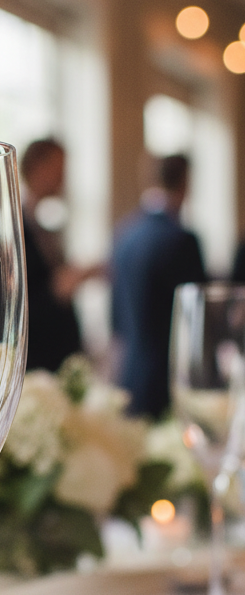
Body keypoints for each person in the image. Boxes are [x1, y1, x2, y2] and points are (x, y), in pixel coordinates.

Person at [111, 154, 206, 419]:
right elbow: (199, 319)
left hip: (129, 375)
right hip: (170, 379)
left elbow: (117, 318)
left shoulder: (124, 234)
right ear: (185, 182)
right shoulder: (183, 241)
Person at [20, 139, 101, 372]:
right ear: (37, 167)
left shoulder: (44, 224)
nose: (63, 177)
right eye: (59, 168)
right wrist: (56, 289)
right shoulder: (0, 228)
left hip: (58, 360)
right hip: (33, 364)